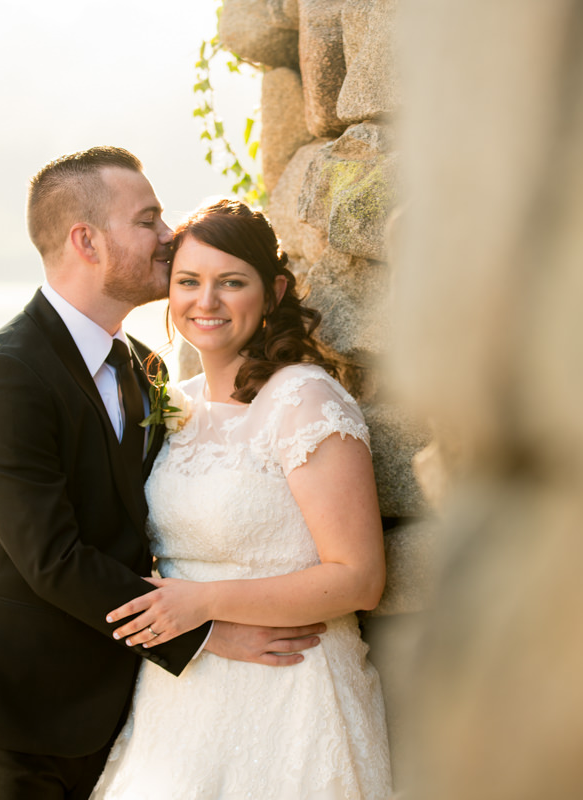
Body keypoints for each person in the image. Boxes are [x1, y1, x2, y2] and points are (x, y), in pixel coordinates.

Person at [0, 147, 324, 799]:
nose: (169, 236)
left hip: (111, 715)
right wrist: (205, 632)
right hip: (3, 719)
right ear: (86, 240)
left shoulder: (148, 371)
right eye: (148, 220)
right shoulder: (6, 372)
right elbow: (52, 557)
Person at [86, 198, 392, 798]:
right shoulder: (174, 403)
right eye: (189, 282)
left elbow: (360, 579)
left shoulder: (305, 401)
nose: (207, 302)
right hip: (180, 701)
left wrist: (204, 604)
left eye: (231, 283)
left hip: (292, 694)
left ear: (273, 291)